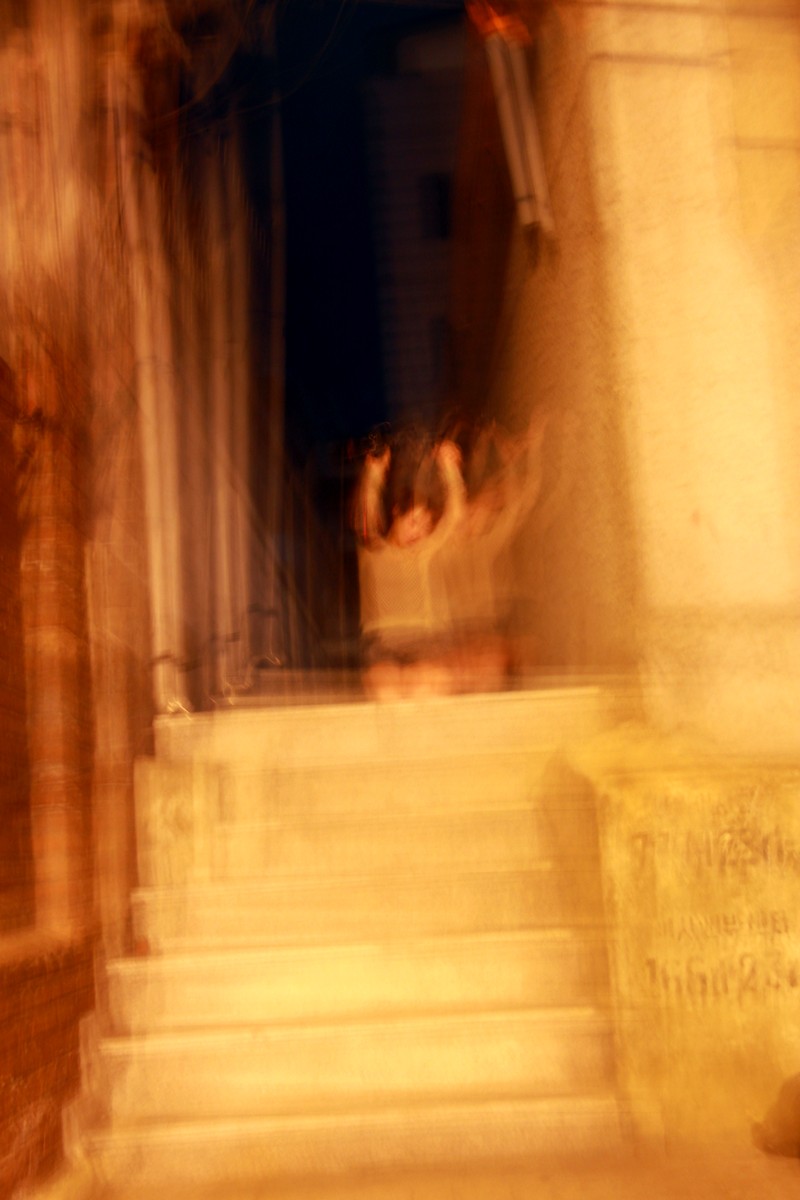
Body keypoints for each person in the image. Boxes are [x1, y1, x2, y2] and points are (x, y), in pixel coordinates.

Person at [354, 431, 466, 700]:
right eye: (414, 522)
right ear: (397, 514)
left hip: (427, 640)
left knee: (427, 689)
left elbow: (455, 518)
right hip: (383, 643)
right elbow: (365, 514)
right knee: (386, 693)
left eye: (426, 526)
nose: (419, 532)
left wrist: (449, 469)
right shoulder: (375, 550)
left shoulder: (426, 552)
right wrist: (373, 473)